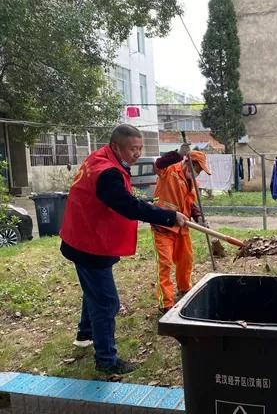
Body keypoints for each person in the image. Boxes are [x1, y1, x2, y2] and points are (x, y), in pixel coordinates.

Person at [60, 124, 188, 375]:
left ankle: (84, 335)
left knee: (93, 292)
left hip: (80, 237)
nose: (137, 154)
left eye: (140, 148)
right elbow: (128, 206)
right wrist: (169, 216)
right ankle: (106, 360)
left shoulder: (100, 157)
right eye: (133, 149)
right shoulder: (107, 173)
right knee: (107, 302)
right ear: (117, 146)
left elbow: (120, 198)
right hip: (90, 244)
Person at [152, 150, 211, 313]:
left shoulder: (193, 182)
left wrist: (198, 217)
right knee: (164, 264)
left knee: (186, 260)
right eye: (197, 170)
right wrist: (176, 154)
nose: (198, 174)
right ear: (189, 164)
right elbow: (157, 165)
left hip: (182, 227)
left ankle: (184, 288)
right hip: (163, 225)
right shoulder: (169, 171)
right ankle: (166, 303)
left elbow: (190, 203)